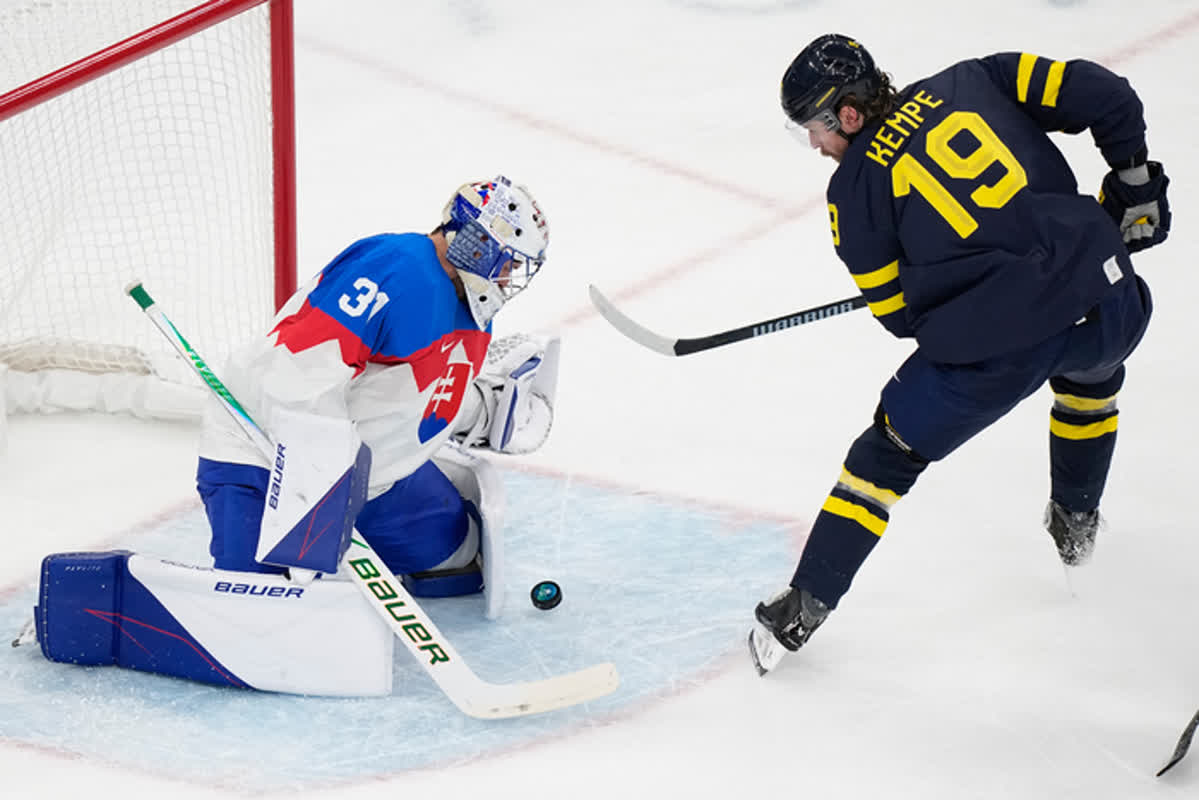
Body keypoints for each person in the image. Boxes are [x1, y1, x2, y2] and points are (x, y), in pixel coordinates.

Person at [749, 35, 1170, 674]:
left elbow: (899, 318)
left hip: (998, 350)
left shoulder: (852, 195)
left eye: (814, 128)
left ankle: (804, 606)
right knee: (1093, 368)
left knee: (884, 455)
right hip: (1109, 298)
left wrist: (940, 276)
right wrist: (1135, 185)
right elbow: (1107, 95)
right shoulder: (980, 76)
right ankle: (1076, 520)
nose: (814, 145)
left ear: (849, 115)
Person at [197, 174, 556, 591]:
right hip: (265, 461)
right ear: (476, 241)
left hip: (368, 479)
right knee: (259, 606)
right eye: (508, 260)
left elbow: (423, 395)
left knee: (456, 557)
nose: (510, 275)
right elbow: (298, 376)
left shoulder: (475, 312)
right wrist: (322, 492)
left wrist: (486, 412)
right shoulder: (394, 268)